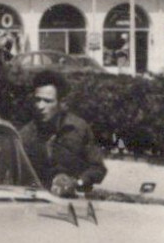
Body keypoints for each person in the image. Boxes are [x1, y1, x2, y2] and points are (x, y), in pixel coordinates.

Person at [16, 70, 107, 198]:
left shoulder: (79, 129)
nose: (40, 106)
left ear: (60, 103)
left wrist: (77, 182)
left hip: (74, 202)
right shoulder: (25, 135)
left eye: (47, 101)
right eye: (37, 100)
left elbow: (98, 168)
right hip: (38, 202)